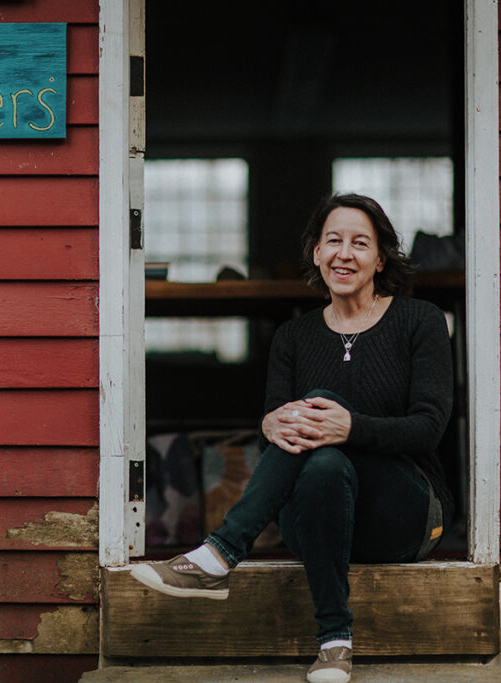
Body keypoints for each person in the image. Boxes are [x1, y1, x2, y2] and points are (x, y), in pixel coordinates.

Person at [129, 194, 454, 683]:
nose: (345, 253)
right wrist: (267, 425)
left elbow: (430, 427)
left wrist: (352, 427)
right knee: (322, 464)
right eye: (333, 241)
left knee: (319, 403)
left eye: (360, 243)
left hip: (404, 515)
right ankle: (334, 643)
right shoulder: (293, 338)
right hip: (318, 521)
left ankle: (222, 551)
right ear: (317, 253)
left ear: (380, 258)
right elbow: (278, 442)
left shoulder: (419, 321)